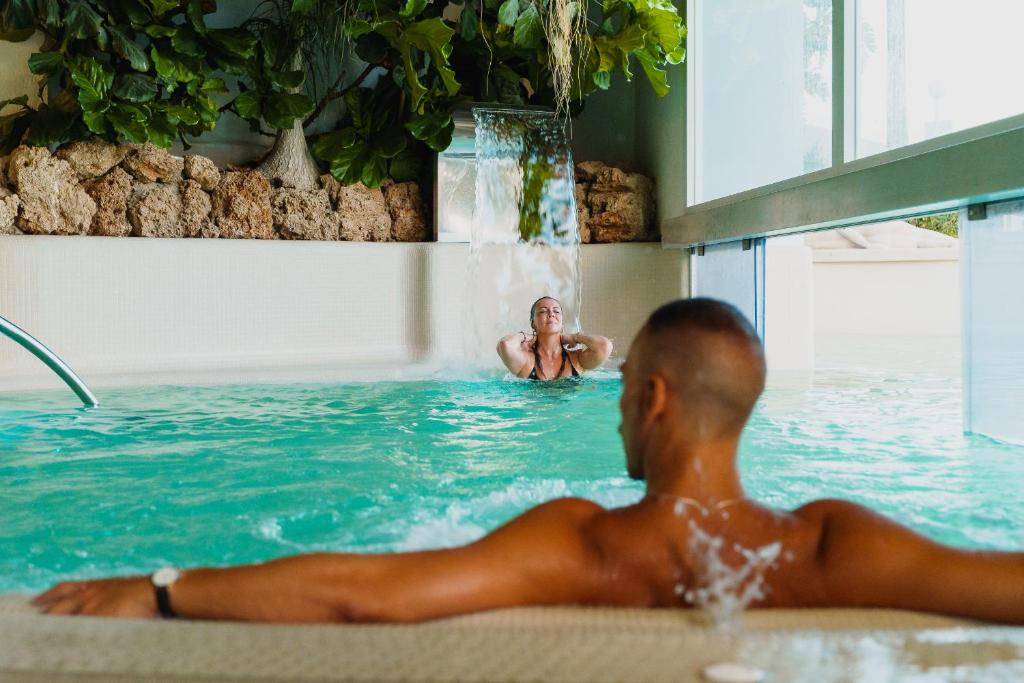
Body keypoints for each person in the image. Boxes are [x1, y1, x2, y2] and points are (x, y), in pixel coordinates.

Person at [34, 298, 1024, 623]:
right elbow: (997, 579)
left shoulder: (584, 540)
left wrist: (162, 590)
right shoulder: (828, 544)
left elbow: (370, 590)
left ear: (652, 398)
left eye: (628, 382)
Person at [496, 296, 612, 380]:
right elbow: (505, 345)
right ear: (533, 324)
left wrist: (574, 337)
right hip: (534, 414)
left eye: (556, 311)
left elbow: (604, 346)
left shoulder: (576, 360)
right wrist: (528, 336)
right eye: (542, 311)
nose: (551, 314)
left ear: (561, 322)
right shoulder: (526, 361)